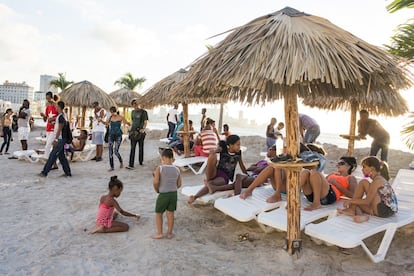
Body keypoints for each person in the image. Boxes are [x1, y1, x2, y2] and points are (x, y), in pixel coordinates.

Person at [188, 135, 247, 204]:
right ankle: (208, 182)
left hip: (225, 177)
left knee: (211, 184)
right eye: (237, 144)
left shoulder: (238, 153)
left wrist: (246, 174)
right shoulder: (223, 149)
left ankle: (195, 197)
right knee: (213, 155)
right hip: (215, 172)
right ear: (231, 145)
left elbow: (242, 165)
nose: (239, 146)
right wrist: (216, 150)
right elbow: (213, 152)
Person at [338, 156, 397, 223]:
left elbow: (367, 201)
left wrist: (351, 201)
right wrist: (354, 201)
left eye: (364, 167)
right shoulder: (377, 179)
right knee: (363, 183)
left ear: (371, 168)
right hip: (388, 210)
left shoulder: (377, 181)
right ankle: (357, 213)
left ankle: (355, 211)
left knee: (357, 201)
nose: (362, 170)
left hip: (383, 210)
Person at [152, 148, 182, 239]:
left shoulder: (160, 168)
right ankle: (169, 233)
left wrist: (157, 190)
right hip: (173, 194)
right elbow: (179, 184)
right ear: (172, 158)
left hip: (163, 194)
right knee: (170, 213)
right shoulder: (177, 169)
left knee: (158, 213)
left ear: (163, 158)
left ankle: (160, 233)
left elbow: (156, 182)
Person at [39, 101, 72, 177]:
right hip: (61, 138)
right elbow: (60, 126)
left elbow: (60, 129)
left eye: (56, 106)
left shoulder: (61, 116)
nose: (55, 108)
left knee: (53, 155)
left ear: (59, 107)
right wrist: (53, 124)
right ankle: (68, 172)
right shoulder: (62, 116)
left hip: (60, 139)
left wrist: (56, 139)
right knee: (61, 156)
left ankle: (45, 172)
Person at [101, 106, 130, 171]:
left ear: (116, 111)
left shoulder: (121, 117)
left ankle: (121, 161)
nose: (112, 113)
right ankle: (112, 167)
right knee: (110, 151)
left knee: (116, 151)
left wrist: (130, 123)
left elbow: (127, 123)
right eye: (111, 112)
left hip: (118, 135)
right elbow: (106, 124)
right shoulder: (110, 117)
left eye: (113, 112)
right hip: (111, 135)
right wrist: (101, 121)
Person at [126, 99, 148, 169]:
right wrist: (129, 128)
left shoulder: (144, 112)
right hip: (133, 132)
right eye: (133, 104)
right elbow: (132, 121)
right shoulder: (132, 112)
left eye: (136, 103)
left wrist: (143, 129)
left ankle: (141, 161)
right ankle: (131, 164)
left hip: (141, 132)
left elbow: (145, 122)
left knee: (141, 147)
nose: (135, 105)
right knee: (132, 148)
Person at [40, 91, 58, 169]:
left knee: (47, 146)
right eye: (46, 98)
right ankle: (54, 164)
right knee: (52, 147)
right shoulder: (48, 107)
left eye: (49, 98)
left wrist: (53, 118)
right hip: (48, 128)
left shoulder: (56, 106)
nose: (48, 100)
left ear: (52, 97)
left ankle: (47, 161)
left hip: (54, 129)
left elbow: (60, 116)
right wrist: (43, 116)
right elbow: (45, 119)